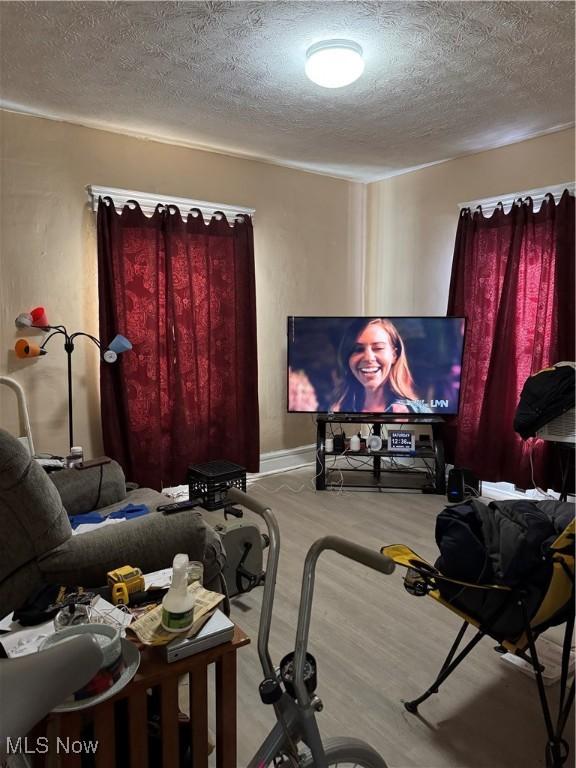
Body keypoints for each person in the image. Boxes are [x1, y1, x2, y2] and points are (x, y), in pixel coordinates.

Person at [331, 318, 430, 413]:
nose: (368, 358)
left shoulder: (416, 412)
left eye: (378, 348)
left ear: (394, 355)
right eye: (358, 349)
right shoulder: (336, 410)